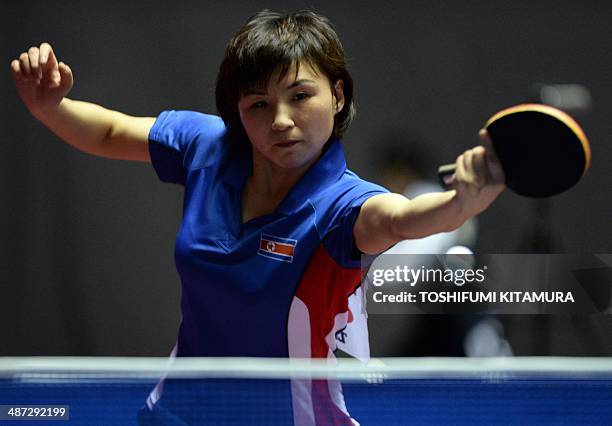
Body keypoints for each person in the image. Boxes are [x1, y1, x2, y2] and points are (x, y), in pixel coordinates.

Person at [10, 9, 505, 425]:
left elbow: (406, 218)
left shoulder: (344, 206)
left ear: (337, 94)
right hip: (180, 410)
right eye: (259, 104)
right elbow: (110, 132)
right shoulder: (207, 146)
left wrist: (463, 202)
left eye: (300, 96)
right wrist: (50, 107)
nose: (281, 120)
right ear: (237, 111)